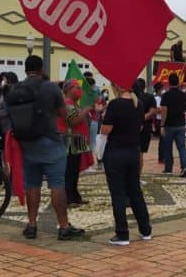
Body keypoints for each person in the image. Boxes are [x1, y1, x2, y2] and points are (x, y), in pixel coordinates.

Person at [15, 55, 86, 241]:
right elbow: (64, 114)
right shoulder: (50, 88)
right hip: (50, 142)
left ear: (25, 70)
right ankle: (63, 227)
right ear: (42, 69)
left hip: (27, 143)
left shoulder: (17, 88)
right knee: (57, 184)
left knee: (31, 185)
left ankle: (31, 225)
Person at [101, 83, 153, 246]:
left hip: (116, 152)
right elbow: (139, 127)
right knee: (135, 191)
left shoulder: (115, 104)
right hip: (133, 152)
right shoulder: (139, 104)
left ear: (117, 86)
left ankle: (122, 234)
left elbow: (105, 130)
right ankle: (146, 229)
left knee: (118, 193)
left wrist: (103, 116)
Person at [61, 79, 94, 207]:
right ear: (69, 90)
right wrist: (86, 110)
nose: (80, 91)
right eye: (77, 88)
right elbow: (73, 121)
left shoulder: (74, 103)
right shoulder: (67, 103)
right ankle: (69, 198)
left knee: (74, 171)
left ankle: (74, 196)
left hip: (77, 141)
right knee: (70, 171)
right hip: (70, 142)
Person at [0, 72, 19, 186]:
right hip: (1, 127)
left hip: (10, 127)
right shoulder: (0, 91)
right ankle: (6, 179)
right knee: (3, 154)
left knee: (11, 155)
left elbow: (8, 110)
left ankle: (12, 181)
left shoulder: (12, 92)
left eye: (5, 79)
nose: (3, 81)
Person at [160, 74, 186, 177]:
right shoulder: (183, 95)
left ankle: (168, 169)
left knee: (168, 147)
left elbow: (164, 110)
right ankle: (185, 166)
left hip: (169, 124)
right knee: (182, 147)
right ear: (178, 82)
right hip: (181, 124)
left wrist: (162, 125)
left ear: (169, 82)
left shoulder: (166, 95)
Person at [134, 79, 157, 179]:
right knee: (140, 153)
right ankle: (137, 177)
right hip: (145, 127)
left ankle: (130, 177)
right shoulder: (150, 97)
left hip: (130, 127)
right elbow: (152, 112)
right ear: (145, 86)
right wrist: (142, 119)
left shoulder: (131, 97)